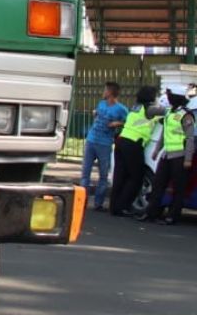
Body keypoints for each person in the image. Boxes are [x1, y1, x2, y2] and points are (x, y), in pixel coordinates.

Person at [137, 89, 195, 226]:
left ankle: (172, 216)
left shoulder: (186, 115)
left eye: (170, 96)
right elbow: (164, 133)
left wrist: (188, 159)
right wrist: (157, 150)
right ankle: (151, 213)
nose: (168, 99)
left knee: (178, 188)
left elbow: (190, 138)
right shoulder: (169, 112)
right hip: (166, 155)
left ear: (176, 98)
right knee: (158, 185)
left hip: (180, 156)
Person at [109, 85, 164, 218]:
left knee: (120, 176)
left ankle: (114, 208)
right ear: (151, 97)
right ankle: (124, 206)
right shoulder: (149, 109)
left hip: (121, 141)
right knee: (136, 177)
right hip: (133, 144)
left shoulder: (136, 107)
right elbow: (167, 111)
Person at [80, 82, 127, 211]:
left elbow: (127, 122)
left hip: (105, 143)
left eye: (105, 90)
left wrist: (117, 123)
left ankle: (98, 202)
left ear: (110, 92)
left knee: (103, 174)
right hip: (92, 139)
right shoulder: (101, 104)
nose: (103, 92)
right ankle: (82, 200)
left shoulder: (121, 109)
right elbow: (97, 115)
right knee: (85, 172)